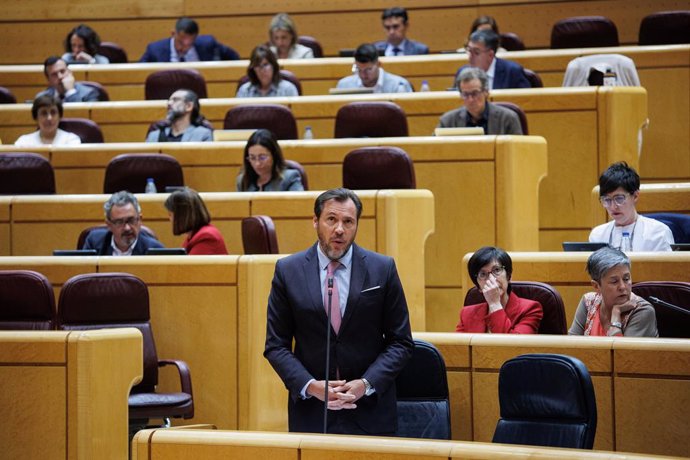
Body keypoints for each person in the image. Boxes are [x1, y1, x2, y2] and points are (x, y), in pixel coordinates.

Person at [264, 187, 414, 434]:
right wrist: (310, 386)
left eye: (348, 221)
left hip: (370, 411)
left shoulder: (382, 269)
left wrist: (365, 384)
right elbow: (276, 345)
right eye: (331, 219)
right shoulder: (288, 271)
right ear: (316, 221)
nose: (340, 229)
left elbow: (401, 342)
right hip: (312, 413)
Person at [569, 247, 658, 337]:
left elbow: (622, 351)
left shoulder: (642, 311)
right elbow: (572, 345)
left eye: (626, 279)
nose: (623, 287)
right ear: (596, 286)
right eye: (614, 281)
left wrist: (615, 318)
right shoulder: (588, 302)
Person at [589, 162, 674, 251]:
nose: (613, 207)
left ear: (635, 196)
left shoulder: (658, 233)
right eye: (607, 200)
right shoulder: (598, 235)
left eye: (619, 199)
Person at [456, 246, 543, 333]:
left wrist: (494, 304)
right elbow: (458, 346)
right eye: (483, 274)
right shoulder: (466, 314)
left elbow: (512, 345)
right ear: (478, 286)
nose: (491, 279)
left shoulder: (530, 309)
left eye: (497, 270)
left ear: (509, 276)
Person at [437, 67, 523, 134]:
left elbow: (518, 152)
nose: (470, 99)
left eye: (475, 93)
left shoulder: (508, 119)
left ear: (486, 92)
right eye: (465, 94)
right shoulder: (448, 121)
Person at [83, 191, 164, 256]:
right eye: (119, 222)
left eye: (131, 220)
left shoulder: (155, 249)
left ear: (140, 220)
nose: (127, 228)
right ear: (109, 225)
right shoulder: (94, 242)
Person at [453, 30, 530, 90]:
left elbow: (526, 101)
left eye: (476, 52)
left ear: (490, 55)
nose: (470, 56)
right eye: (469, 51)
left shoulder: (512, 71)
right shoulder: (462, 72)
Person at [139, 17, 239, 62]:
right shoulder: (155, 49)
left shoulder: (208, 43)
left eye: (190, 43)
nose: (185, 47)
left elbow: (235, 58)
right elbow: (139, 73)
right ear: (173, 34)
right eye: (181, 42)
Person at [164, 187, 228, 255]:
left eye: (170, 214)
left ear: (183, 216)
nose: (169, 219)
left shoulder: (206, 237)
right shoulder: (194, 235)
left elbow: (188, 265)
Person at [236, 129, 304, 191]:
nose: (257, 163)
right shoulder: (243, 181)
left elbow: (299, 203)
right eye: (252, 158)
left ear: (274, 155)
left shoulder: (289, 178)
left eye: (262, 158)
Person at [336, 43, 413, 93]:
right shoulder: (344, 86)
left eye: (368, 70)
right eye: (359, 69)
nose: (363, 75)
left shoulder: (398, 85)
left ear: (379, 64)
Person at [146, 89, 213, 142]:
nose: (169, 103)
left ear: (188, 106)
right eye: (169, 100)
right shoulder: (154, 136)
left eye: (175, 100)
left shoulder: (203, 135)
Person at [15, 95, 81, 146]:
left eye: (53, 112)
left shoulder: (71, 140)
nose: (49, 118)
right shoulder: (23, 142)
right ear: (36, 118)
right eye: (44, 113)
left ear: (60, 116)